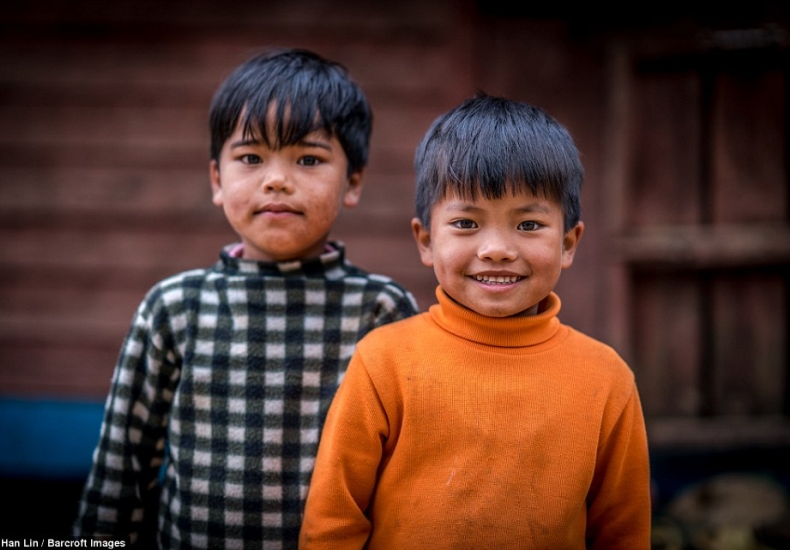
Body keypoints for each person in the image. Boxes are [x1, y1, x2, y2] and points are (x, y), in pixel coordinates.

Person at [74, 48, 418, 549]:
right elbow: (120, 469)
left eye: (308, 159)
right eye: (251, 158)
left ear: (353, 182)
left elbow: (406, 475)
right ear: (218, 180)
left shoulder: (381, 311)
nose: (276, 179)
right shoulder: (174, 307)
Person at [299, 95, 651, 549]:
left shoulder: (606, 379)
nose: (496, 249)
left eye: (528, 226)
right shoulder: (385, 361)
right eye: (466, 223)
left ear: (568, 243)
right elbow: (333, 522)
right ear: (426, 240)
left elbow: (623, 533)